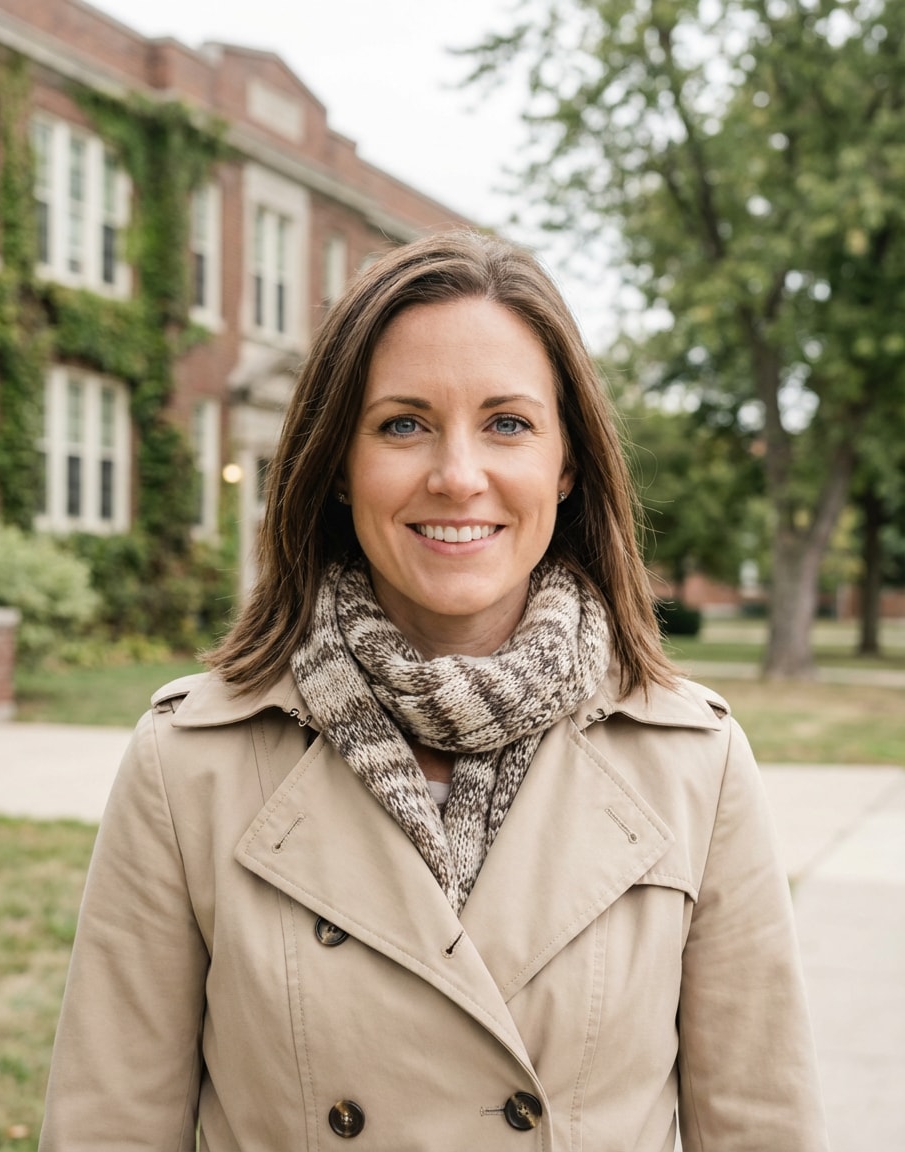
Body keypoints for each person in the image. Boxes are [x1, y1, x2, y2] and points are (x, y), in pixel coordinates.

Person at [40, 230, 828, 1151]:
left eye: (508, 424)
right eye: (404, 424)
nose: (458, 476)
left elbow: (761, 1128)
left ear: (565, 465)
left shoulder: (694, 764)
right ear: (339, 465)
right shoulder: (189, 769)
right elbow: (110, 1128)